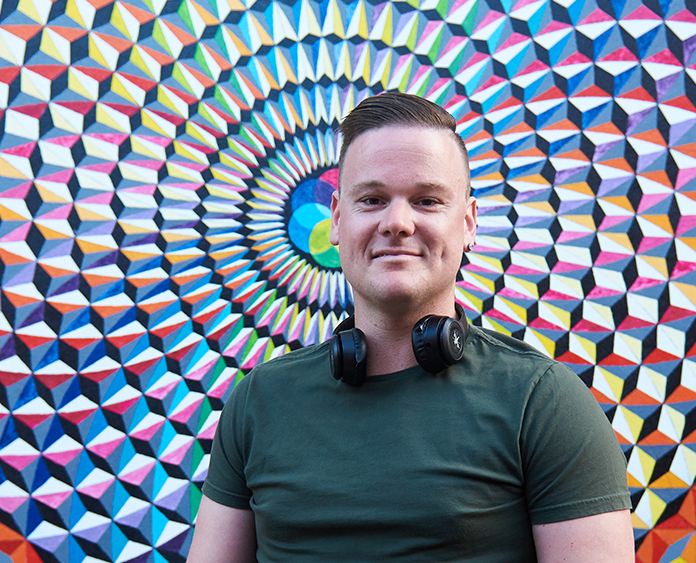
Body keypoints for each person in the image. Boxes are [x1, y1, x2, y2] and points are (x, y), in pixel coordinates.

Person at [185, 92, 634, 563]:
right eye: (373, 199)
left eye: (426, 200)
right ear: (337, 219)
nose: (397, 222)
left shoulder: (543, 402)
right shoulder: (258, 402)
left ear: (468, 222)